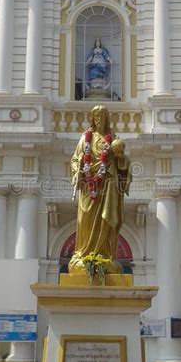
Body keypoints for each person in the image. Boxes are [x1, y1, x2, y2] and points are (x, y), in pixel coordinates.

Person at [69, 105, 132, 274]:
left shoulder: (112, 139)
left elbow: (123, 163)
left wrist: (121, 158)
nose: (98, 120)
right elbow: (75, 159)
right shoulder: (85, 139)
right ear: (92, 119)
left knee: (107, 218)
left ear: (106, 119)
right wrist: (77, 171)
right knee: (85, 219)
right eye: (95, 117)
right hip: (88, 186)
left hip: (109, 183)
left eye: (101, 117)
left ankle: (105, 255)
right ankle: (84, 254)